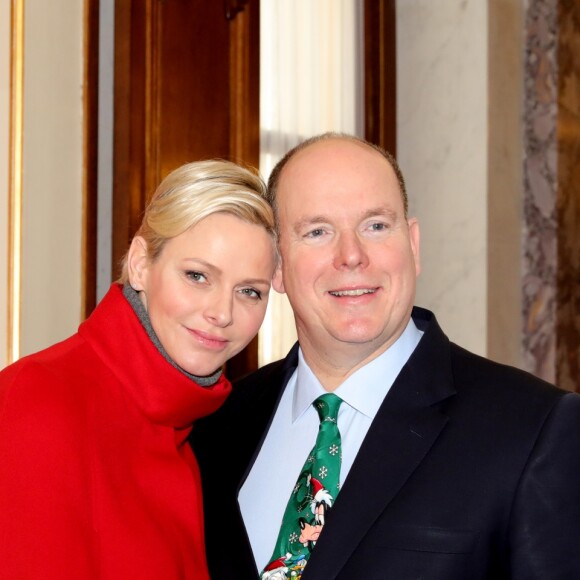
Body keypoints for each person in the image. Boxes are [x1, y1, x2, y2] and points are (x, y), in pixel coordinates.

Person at [193, 133, 580, 579]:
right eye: (317, 231)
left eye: (375, 225)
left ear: (412, 245)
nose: (352, 256)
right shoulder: (217, 423)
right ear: (276, 265)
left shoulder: (535, 430)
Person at [0, 160, 277, 579]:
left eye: (249, 291)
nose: (222, 312)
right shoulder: (36, 399)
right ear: (140, 264)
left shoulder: (202, 430)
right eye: (198, 276)